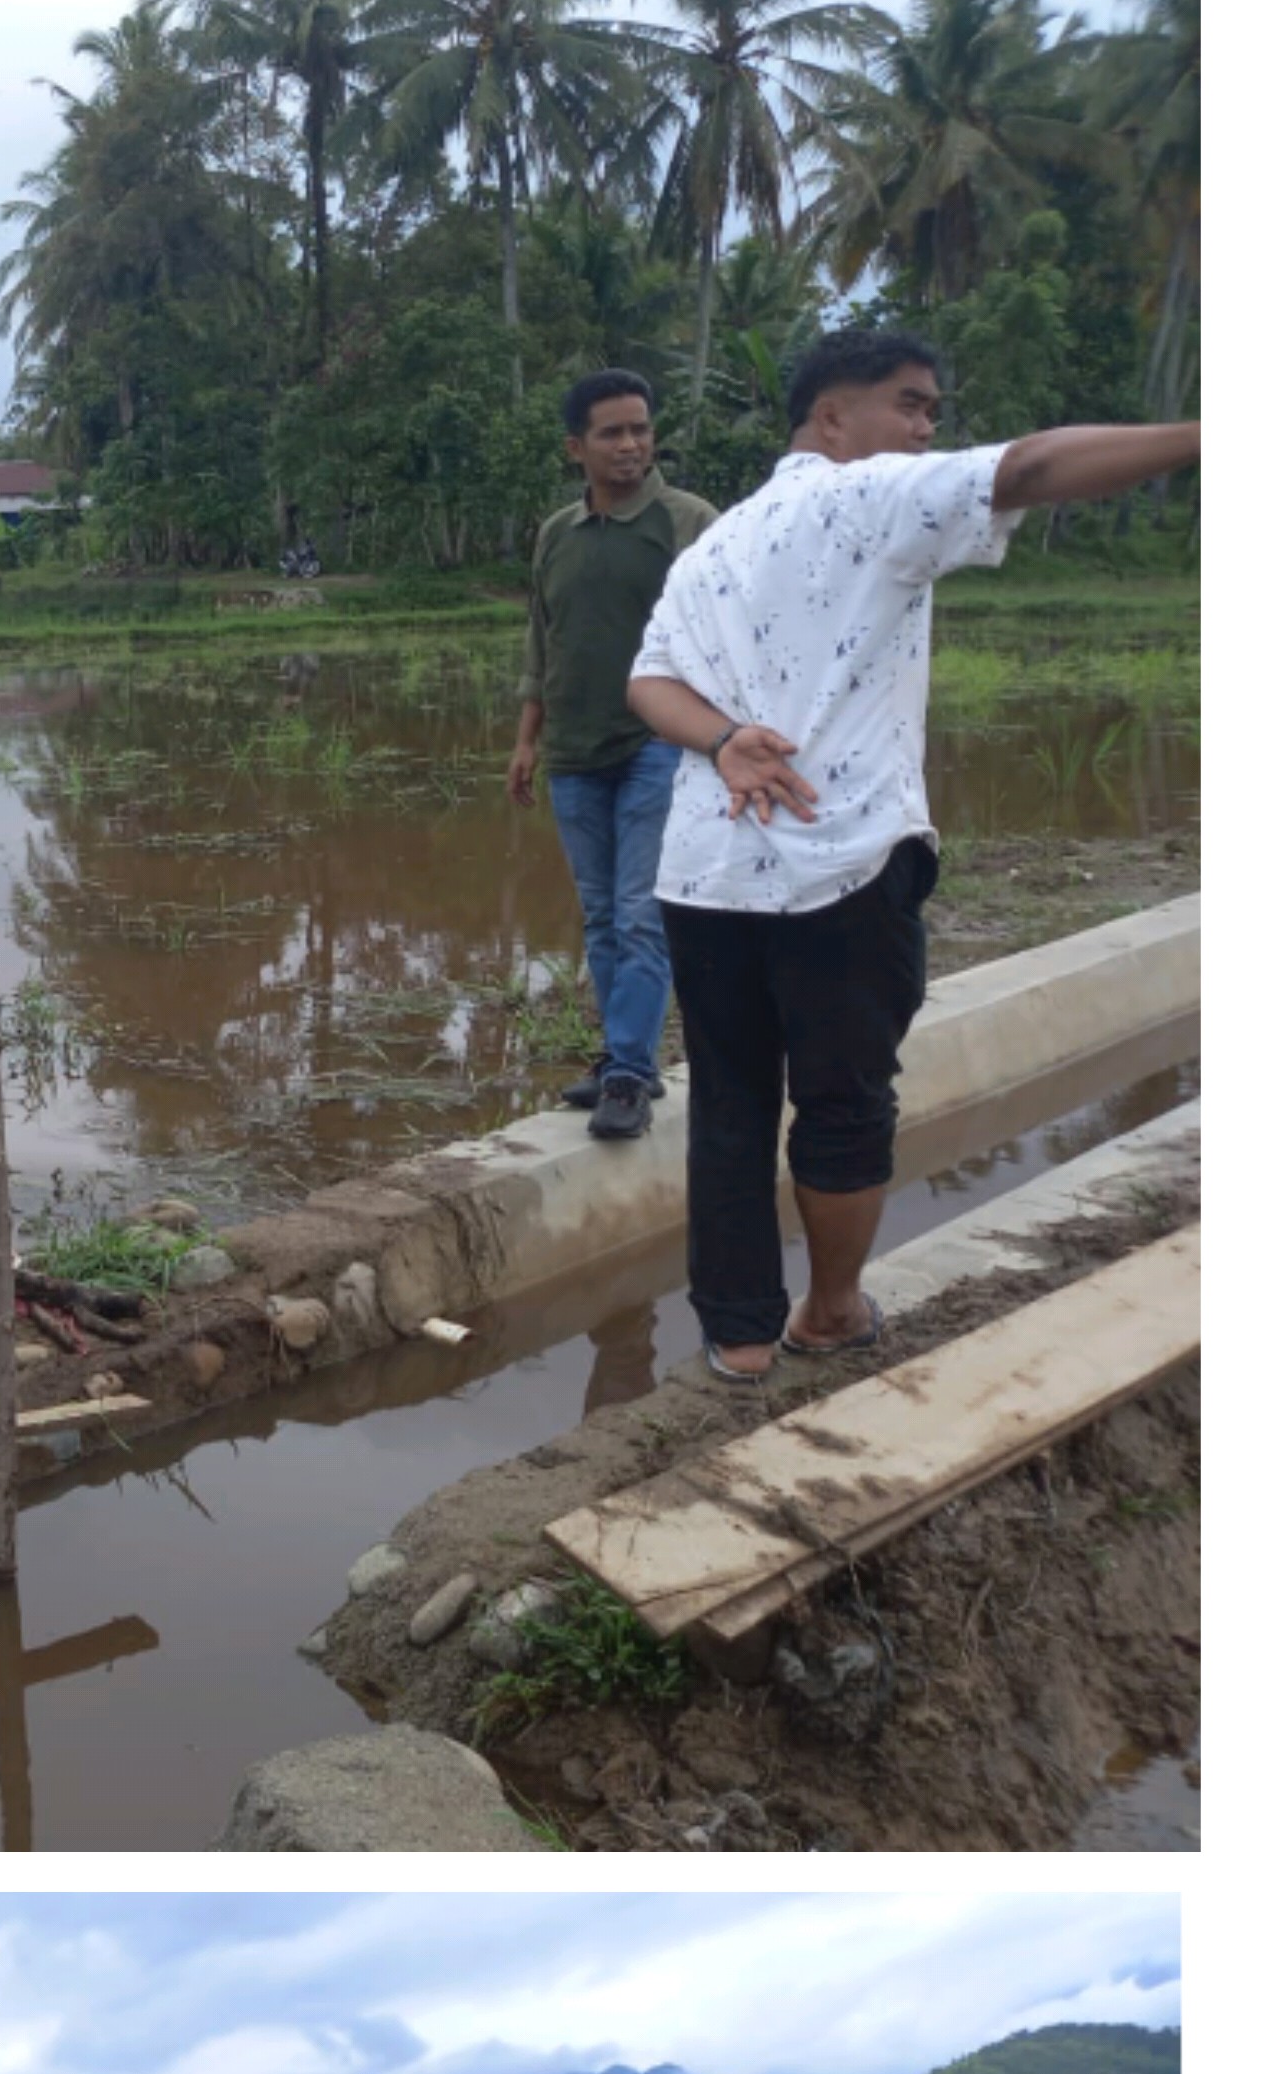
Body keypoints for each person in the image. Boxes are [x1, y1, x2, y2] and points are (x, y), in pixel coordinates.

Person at [629, 334, 1198, 1384]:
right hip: (836, 867)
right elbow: (1025, 468)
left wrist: (718, 740)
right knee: (844, 1101)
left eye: (935, 408)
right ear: (831, 420)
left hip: (702, 878)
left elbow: (647, 684)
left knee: (730, 1100)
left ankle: (740, 1338)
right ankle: (831, 1313)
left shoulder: (713, 542)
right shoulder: (874, 495)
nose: (928, 426)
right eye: (910, 404)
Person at [507, 371, 715, 1142]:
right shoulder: (558, 533)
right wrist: (527, 739)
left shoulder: (687, 522)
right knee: (600, 916)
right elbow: (543, 638)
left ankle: (628, 1071)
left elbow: (728, 632)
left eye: (640, 429)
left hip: (655, 750)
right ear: (576, 447)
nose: (631, 445)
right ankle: (623, 1058)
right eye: (612, 433)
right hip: (573, 750)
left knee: (639, 914)